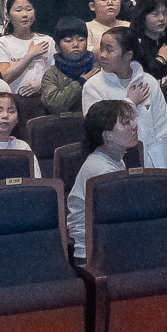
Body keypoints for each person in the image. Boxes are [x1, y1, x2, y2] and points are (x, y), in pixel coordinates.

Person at [82, 24, 167, 169]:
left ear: (128, 56)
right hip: (113, 165)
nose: (102, 55)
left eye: (109, 50)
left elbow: (163, 130)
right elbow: (98, 131)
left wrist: (164, 172)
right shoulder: (92, 87)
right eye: (101, 48)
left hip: (151, 165)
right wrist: (131, 102)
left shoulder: (149, 82)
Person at [68, 99, 138, 262]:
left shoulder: (115, 159)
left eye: (132, 120)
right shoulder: (102, 169)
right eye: (126, 122)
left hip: (110, 246)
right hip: (95, 256)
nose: (134, 126)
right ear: (108, 135)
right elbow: (117, 222)